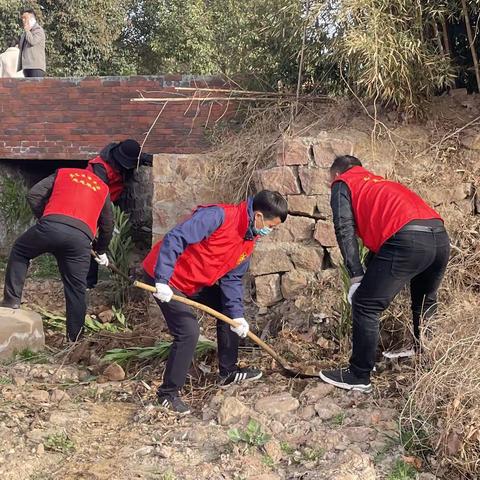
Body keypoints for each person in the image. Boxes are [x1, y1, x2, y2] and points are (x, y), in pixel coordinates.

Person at [142, 190, 288, 414]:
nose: (271, 231)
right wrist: (162, 279)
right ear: (258, 216)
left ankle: (228, 372)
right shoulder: (219, 217)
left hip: (194, 282)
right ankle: (167, 395)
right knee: (188, 331)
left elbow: (232, 278)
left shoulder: (249, 238)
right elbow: (176, 237)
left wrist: (237, 315)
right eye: (272, 225)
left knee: (228, 311)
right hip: (166, 278)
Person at [320, 156, 450, 393]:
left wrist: (356, 277)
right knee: (425, 303)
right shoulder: (379, 183)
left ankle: (359, 375)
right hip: (439, 236)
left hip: (407, 239)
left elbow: (344, 229)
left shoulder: (343, 183)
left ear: (336, 174)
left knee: (365, 305)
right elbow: (382, 244)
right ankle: (431, 362)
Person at [2, 168, 113, 342]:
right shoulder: (103, 188)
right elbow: (108, 224)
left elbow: (34, 194)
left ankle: (11, 301)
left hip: (50, 227)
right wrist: (101, 250)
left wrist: (46, 218)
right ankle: (74, 340)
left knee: (20, 251)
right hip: (80, 239)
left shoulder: (63, 173)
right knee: (76, 288)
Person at [85, 139, 153, 289]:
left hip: (113, 204)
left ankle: (119, 277)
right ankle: (88, 283)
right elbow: (100, 195)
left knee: (119, 242)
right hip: (93, 204)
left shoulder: (128, 155)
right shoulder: (99, 167)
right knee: (93, 242)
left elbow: (147, 159)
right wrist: (108, 222)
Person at [18, 9, 46, 78]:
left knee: (36, 88)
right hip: (26, 67)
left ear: (32, 19)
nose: (23, 20)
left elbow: (33, 41)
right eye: (22, 18)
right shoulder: (25, 33)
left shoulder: (38, 30)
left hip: (36, 67)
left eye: (25, 18)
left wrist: (27, 30)